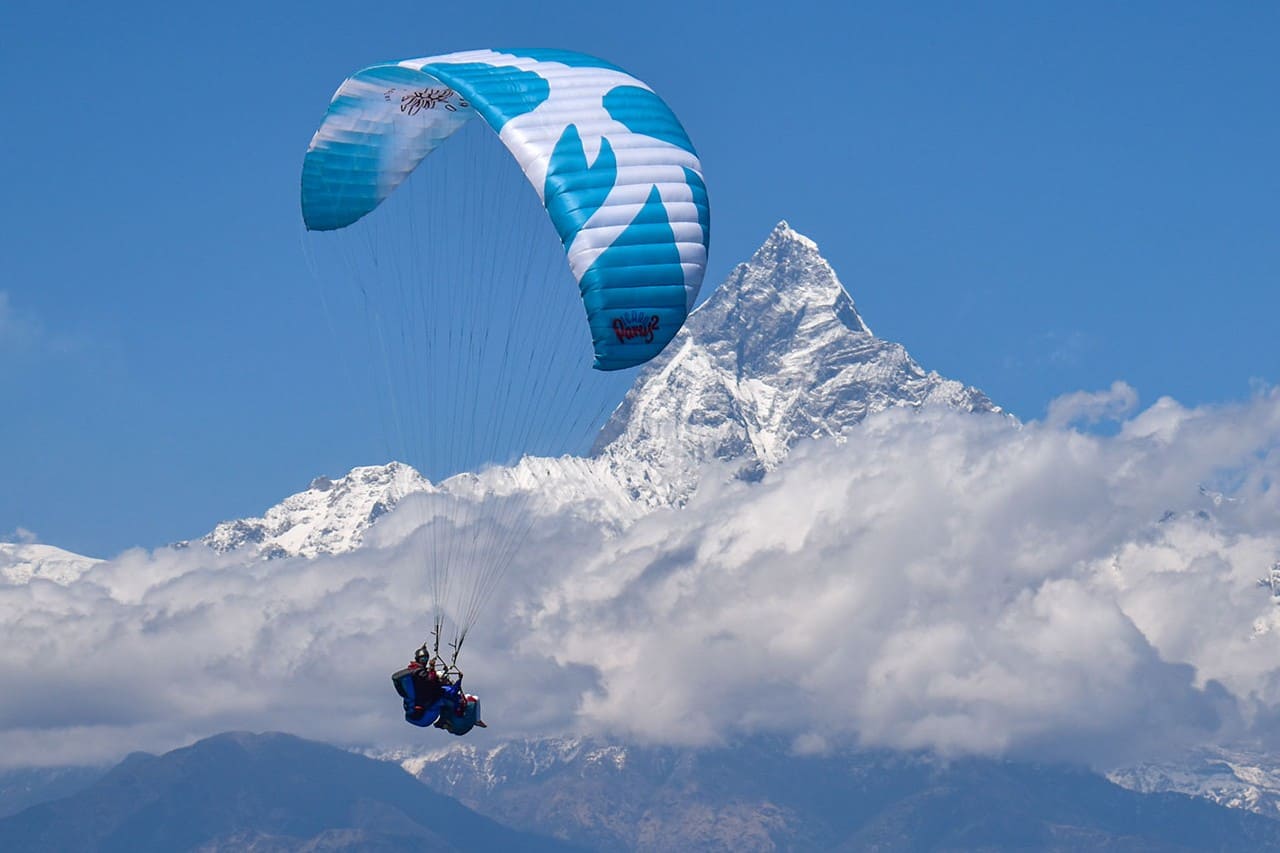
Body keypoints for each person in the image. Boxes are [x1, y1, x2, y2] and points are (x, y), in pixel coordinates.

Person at [391, 643, 450, 727]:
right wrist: (432, 668)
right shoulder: (417, 671)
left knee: (441, 692)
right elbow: (429, 679)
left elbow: (427, 678)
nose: (425, 661)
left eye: (426, 659)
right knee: (443, 695)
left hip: (423, 696)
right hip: (424, 699)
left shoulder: (417, 669)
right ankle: (446, 720)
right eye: (422, 659)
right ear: (418, 659)